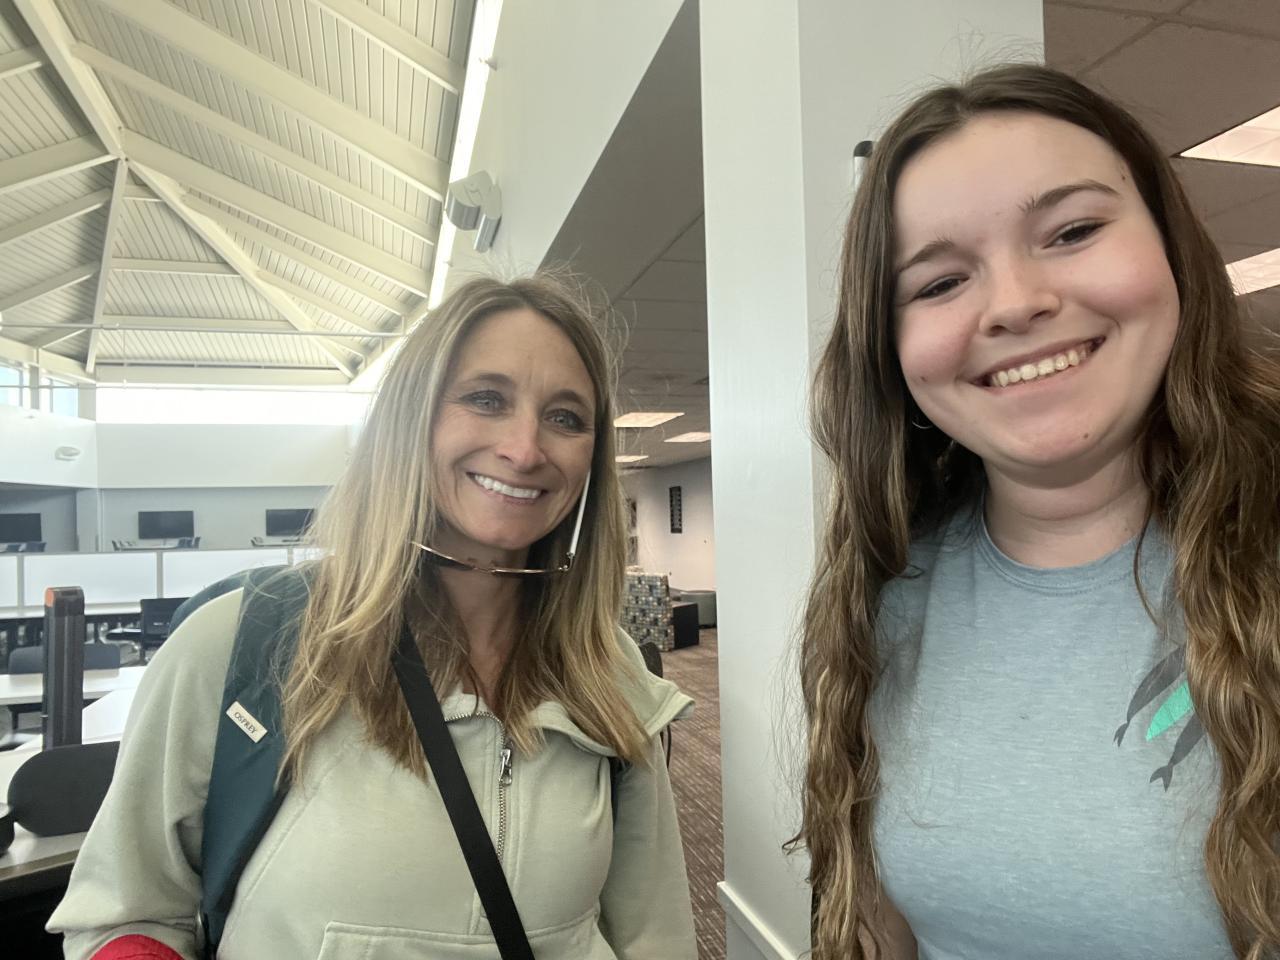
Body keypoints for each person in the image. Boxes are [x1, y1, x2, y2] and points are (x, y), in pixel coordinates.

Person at [50, 274, 698, 959]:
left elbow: (651, 934)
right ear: (409, 420)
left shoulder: (609, 669)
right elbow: (124, 913)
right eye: (486, 399)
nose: (526, 448)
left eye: (566, 417)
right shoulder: (240, 643)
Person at [797, 64, 1280, 960]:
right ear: (890, 348)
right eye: (938, 283)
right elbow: (879, 925)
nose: (1016, 303)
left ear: (1172, 247)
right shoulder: (887, 591)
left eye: (1074, 231)